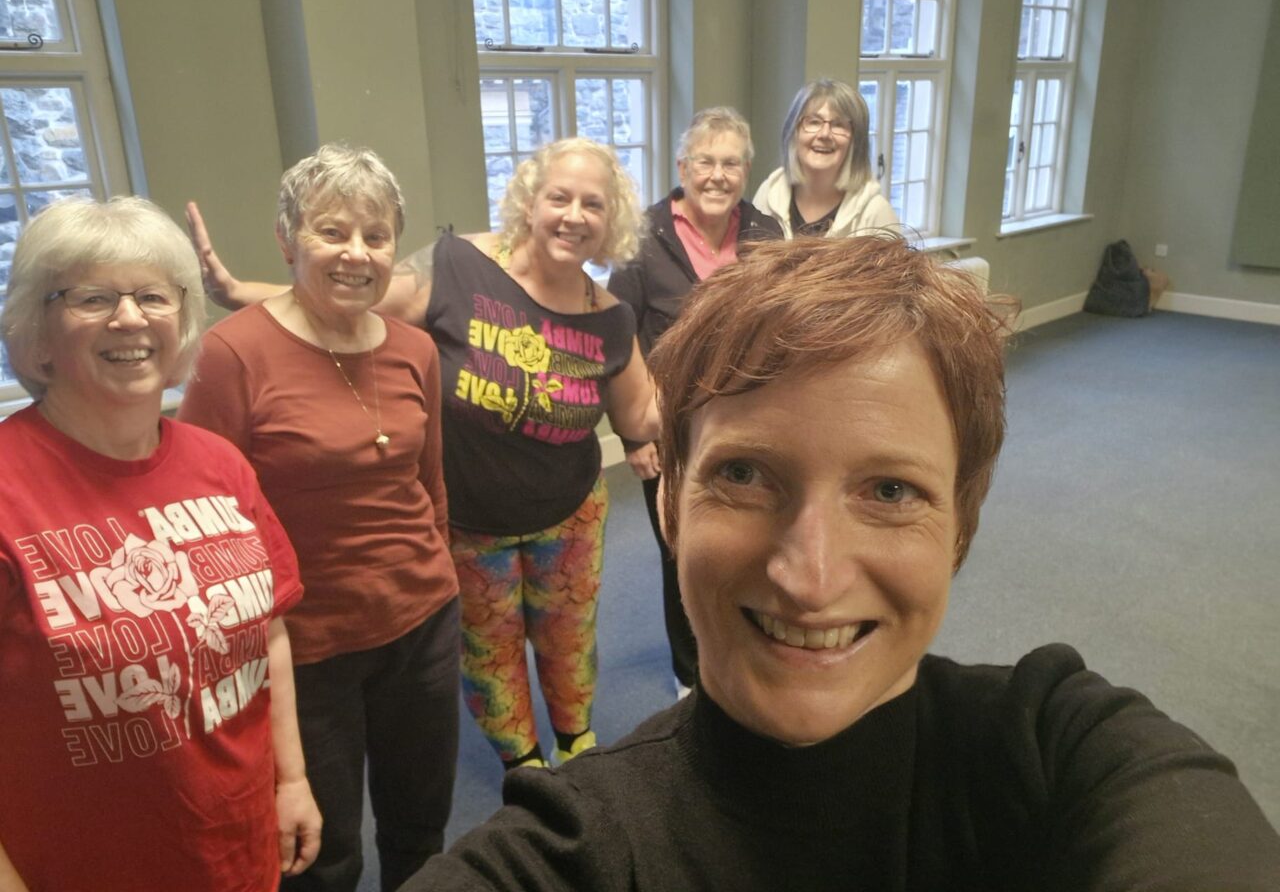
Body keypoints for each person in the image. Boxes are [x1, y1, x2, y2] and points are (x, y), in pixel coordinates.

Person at [399, 234, 1280, 890]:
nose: (810, 576)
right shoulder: (570, 850)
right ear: (668, 504)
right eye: (743, 475)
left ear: (962, 525)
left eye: (891, 492)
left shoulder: (1065, 750)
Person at [189, 137, 658, 774]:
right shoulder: (457, 266)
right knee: (489, 650)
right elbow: (346, 299)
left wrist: (725, 374)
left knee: (569, 639)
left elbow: (641, 416)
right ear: (530, 201)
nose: (574, 215)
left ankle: (576, 741)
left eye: (593, 205)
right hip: (471, 519)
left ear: (611, 222)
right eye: (560, 197)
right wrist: (241, 290)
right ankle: (523, 765)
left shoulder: (610, 317)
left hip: (569, 515)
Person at [0, 196, 319, 892]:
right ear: (38, 333)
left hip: (236, 847)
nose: (130, 318)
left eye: (152, 295)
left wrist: (290, 777)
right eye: (92, 298)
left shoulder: (220, 464)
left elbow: (268, 637)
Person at [178, 145, 458, 892]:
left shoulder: (416, 350)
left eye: (376, 235)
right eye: (332, 232)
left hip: (422, 623)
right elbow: (205, 520)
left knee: (421, 827)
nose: (356, 254)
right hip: (305, 647)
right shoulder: (233, 354)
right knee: (322, 854)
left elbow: (429, 486)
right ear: (286, 238)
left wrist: (439, 576)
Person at [607, 106, 782, 695]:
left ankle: (738, 647)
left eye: (730, 163)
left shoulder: (765, 234)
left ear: (746, 171)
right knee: (681, 549)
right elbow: (617, 334)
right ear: (683, 166)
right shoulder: (643, 239)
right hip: (671, 429)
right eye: (705, 161)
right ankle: (691, 673)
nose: (717, 175)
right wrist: (634, 435)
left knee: (746, 539)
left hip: (748, 423)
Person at [753, 78, 900, 238]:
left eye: (838, 124)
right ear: (794, 132)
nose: (824, 134)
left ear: (856, 141)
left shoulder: (876, 214)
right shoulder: (768, 194)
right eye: (814, 122)